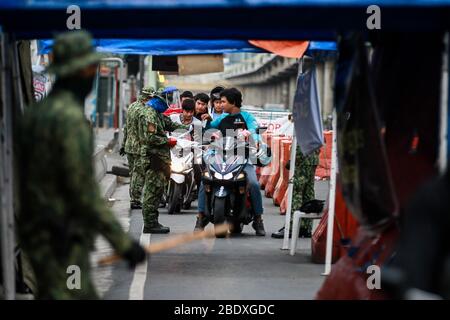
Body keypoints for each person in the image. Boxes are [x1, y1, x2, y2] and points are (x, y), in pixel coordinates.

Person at [16, 30, 146, 299]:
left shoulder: (36, 114)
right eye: (91, 68)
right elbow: (82, 192)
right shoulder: (70, 120)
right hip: (61, 236)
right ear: (81, 72)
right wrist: (121, 242)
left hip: (36, 232)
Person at [194, 88, 266, 236]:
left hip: (243, 160)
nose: (220, 104)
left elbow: (254, 131)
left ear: (233, 102)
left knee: (253, 183)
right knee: (205, 181)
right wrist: (207, 122)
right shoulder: (221, 118)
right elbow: (210, 129)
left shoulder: (247, 117)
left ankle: (258, 219)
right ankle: (201, 217)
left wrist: (256, 140)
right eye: (219, 101)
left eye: (223, 101)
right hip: (220, 158)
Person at [138, 95, 189, 233]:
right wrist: (167, 142)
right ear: (158, 101)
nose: (168, 106)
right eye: (166, 103)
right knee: (152, 191)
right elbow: (150, 138)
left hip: (160, 158)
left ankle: (153, 222)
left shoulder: (157, 114)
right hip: (153, 157)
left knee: (158, 189)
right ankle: (150, 224)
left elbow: (170, 124)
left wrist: (188, 128)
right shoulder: (149, 115)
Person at [271, 145, 320, 238]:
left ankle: (293, 227)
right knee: (308, 192)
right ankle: (306, 227)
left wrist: (293, 157)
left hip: (302, 156)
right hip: (313, 155)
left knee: (296, 191)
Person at [120, 86, 155, 209]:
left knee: (133, 173)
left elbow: (126, 128)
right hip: (140, 147)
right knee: (139, 174)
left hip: (129, 146)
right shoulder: (144, 111)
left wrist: (123, 145)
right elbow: (145, 132)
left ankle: (133, 197)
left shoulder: (132, 106)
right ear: (149, 97)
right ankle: (135, 199)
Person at [170, 98, 203, 192]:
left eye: (191, 112)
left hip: (189, 151)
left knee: (198, 168)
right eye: (186, 111)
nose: (189, 114)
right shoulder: (172, 118)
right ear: (182, 110)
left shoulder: (197, 123)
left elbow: (198, 141)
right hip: (172, 149)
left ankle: (197, 190)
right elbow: (165, 132)